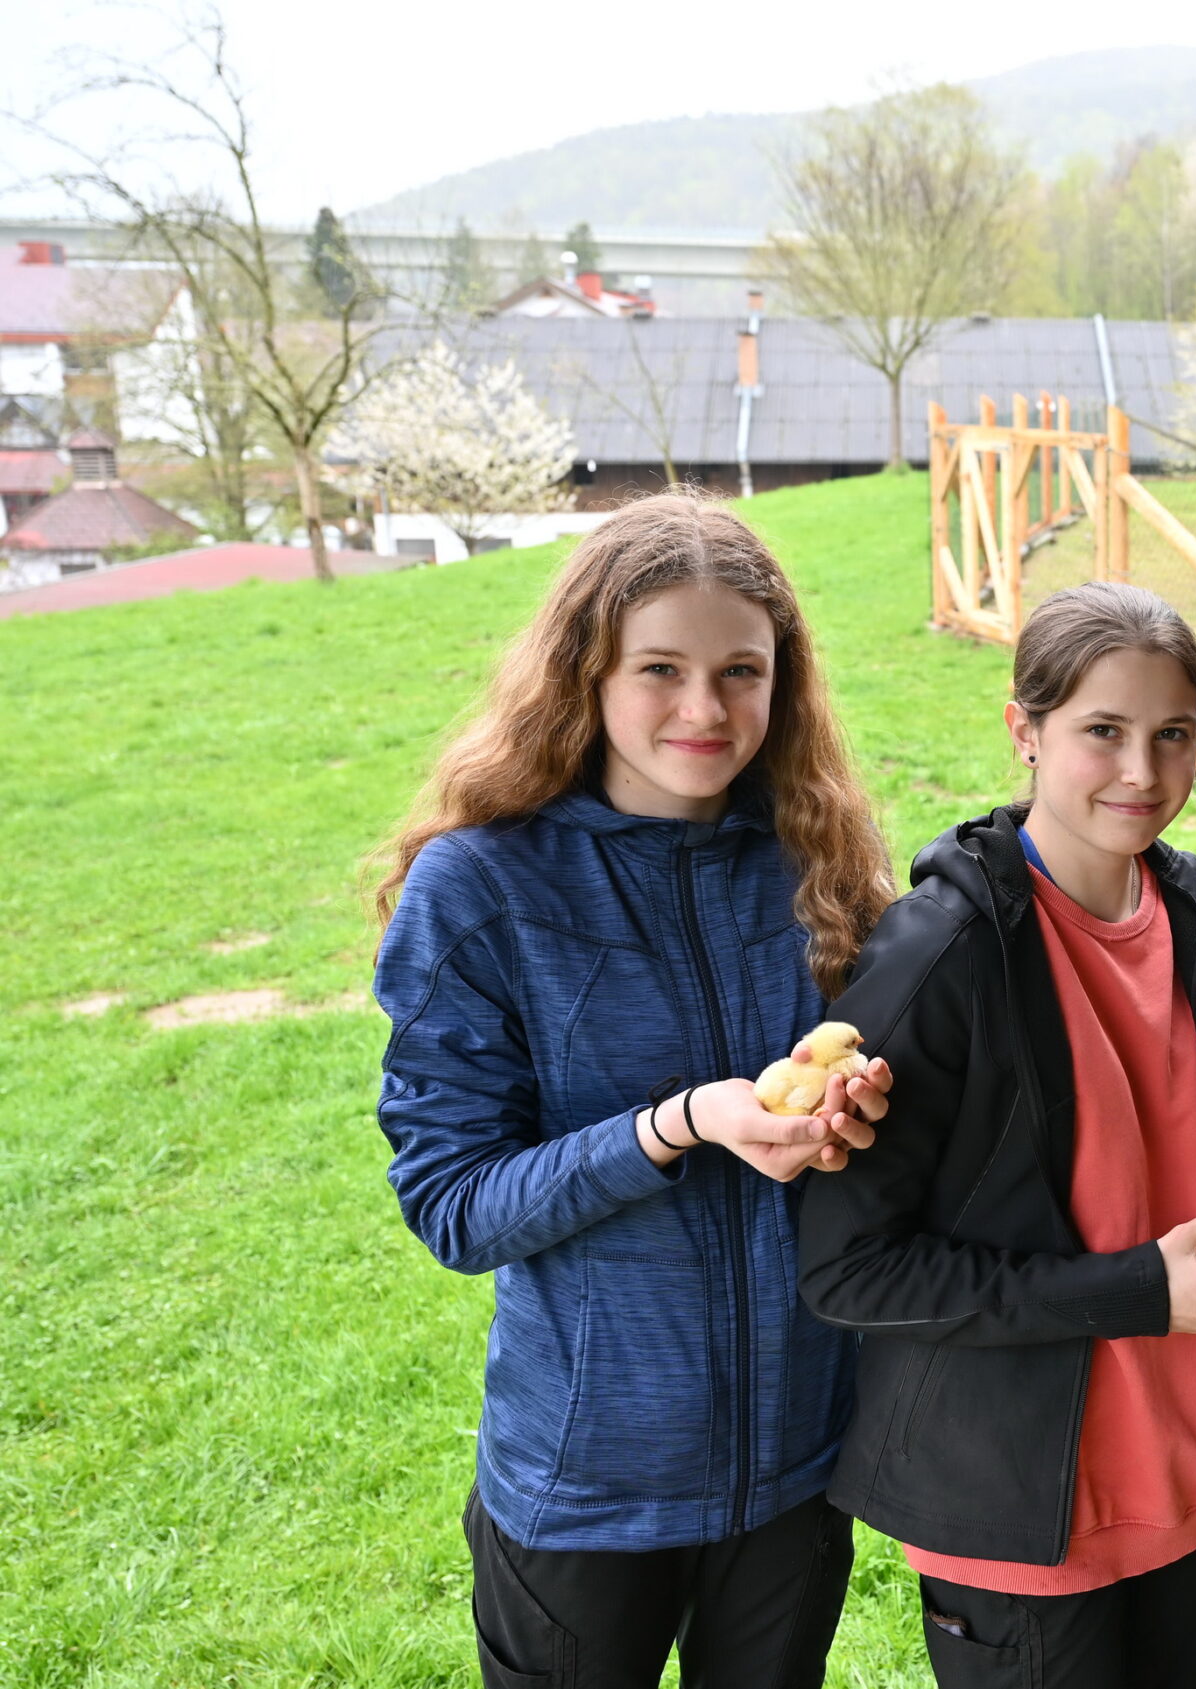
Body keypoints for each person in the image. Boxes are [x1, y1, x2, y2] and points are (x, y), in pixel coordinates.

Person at [371, 493, 898, 1689]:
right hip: (584, 1488)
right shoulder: (479, 890)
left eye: (741, 671)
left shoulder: (816, 869)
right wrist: (676, 1126)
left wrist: (854, 1119)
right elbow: (455, 1206)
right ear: (586, 673)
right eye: (659, 668)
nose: (705, 710)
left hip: (798, 1465)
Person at [797, 582, 1196, 1689]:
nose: (1144, 772)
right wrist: (1141, 1290)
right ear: (1023, 732)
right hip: (1019, 1506)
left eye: (1173, 734)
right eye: (1102, 732)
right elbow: (851, 1271)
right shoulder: (939, 956)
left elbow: (1188, 1159)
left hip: (1187, 1473)